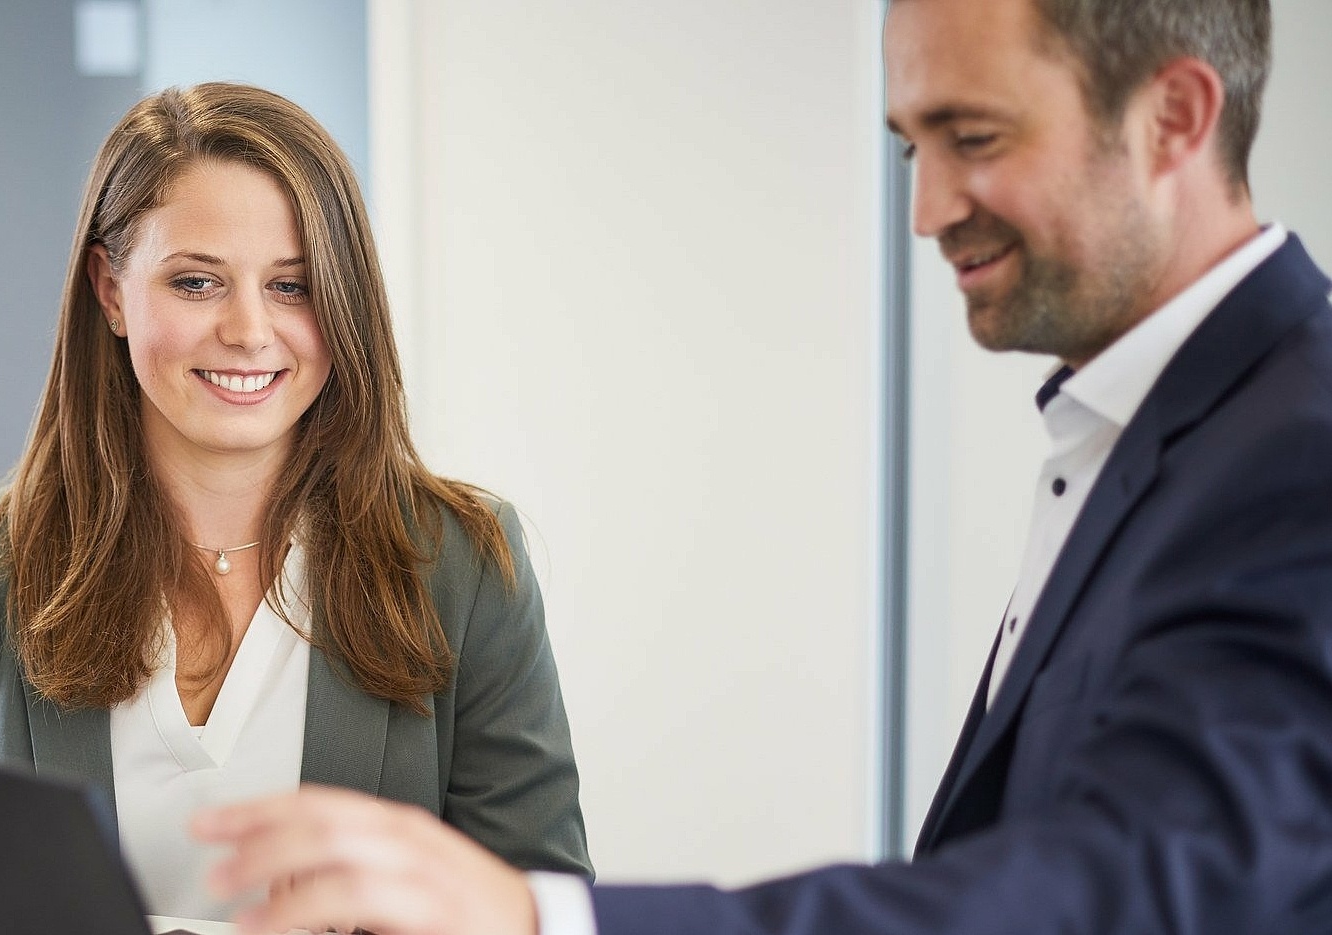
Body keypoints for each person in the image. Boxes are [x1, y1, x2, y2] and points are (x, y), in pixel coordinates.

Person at [191, 1, 1332, 933]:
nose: (927, 209)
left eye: (972, 138)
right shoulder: (1152, 431)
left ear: (1173, 116)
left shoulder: (1298, 449)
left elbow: (1130, 884)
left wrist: (548, 917)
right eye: (909, 148)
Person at [0, 82, 591, 922]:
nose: (250, 331)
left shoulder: (464, 566)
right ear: (109, 290)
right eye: (198, 282)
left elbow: (543, 908)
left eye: (292, 286)